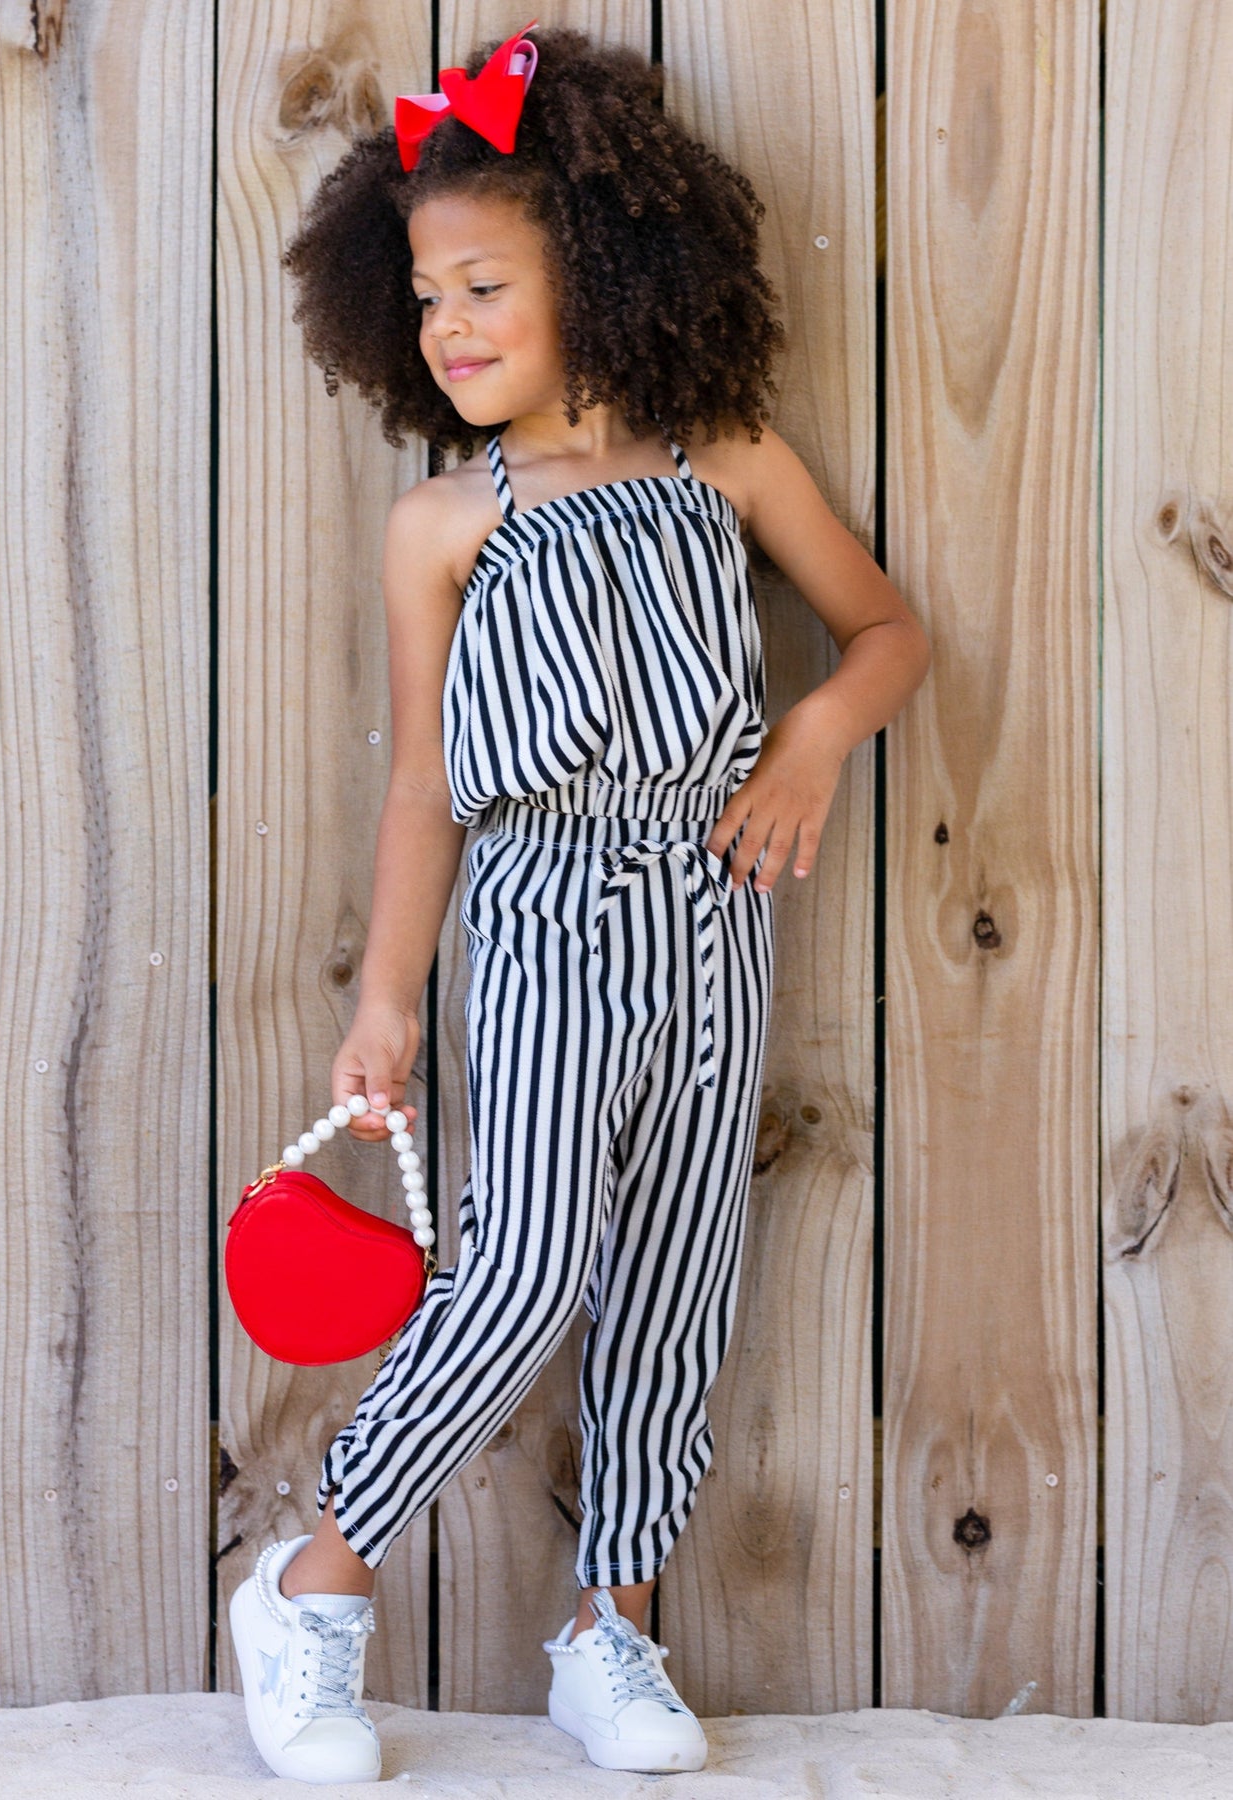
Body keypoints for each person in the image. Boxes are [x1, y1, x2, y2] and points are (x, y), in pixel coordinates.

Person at [229, 17, 930, 1786]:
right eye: (425, 296)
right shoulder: (443, 526)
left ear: (605, 278)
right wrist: (388, 999)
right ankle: (310, 1586)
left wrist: (812, 739)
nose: (448, 325)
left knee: (678, 1279)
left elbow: (885, 633)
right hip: (541, 923)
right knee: (530, 1267)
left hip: (717, 916)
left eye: (484, 286)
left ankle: (608, 1633)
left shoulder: (725, 458)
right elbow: (423, 783)